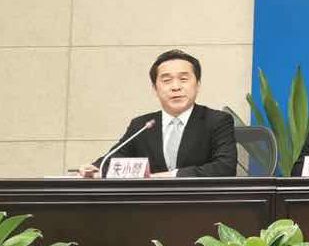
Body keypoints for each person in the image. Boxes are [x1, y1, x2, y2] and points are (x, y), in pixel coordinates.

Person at [81, 49, 236, 178]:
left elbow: (225, 167)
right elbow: (116, 158)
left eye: (183, 79)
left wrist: (171, 175)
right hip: (149, 203)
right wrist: (95, 167)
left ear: (198, 85)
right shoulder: (142, 125)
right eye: (167, 81)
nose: (176, 87)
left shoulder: (217, 121)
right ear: (155, 89)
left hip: (201, 203)